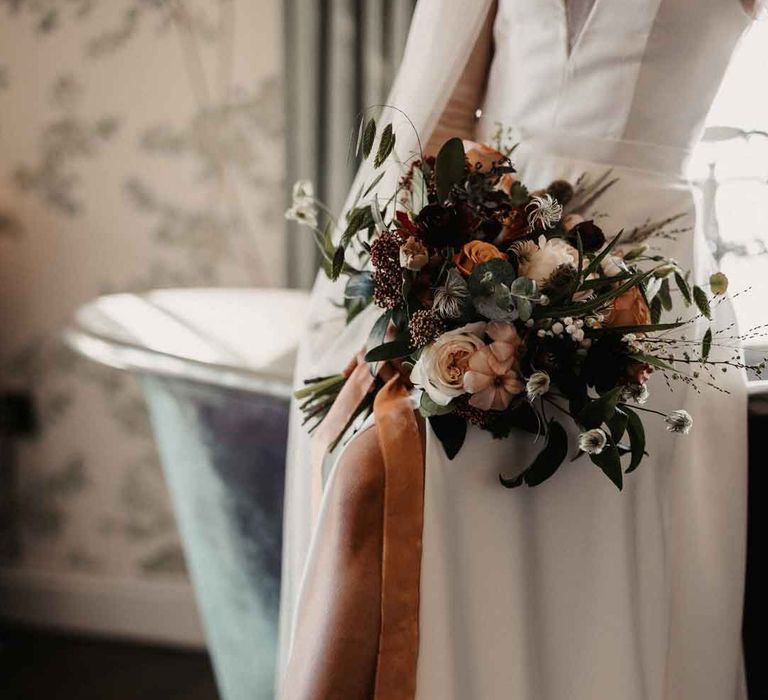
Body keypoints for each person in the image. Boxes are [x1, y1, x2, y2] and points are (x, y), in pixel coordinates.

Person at [279, 1, 762, 697]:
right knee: (453, 535)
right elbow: (446, 117)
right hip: (484, 250)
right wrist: (431, 263)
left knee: (602, 572)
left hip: (642, 292)